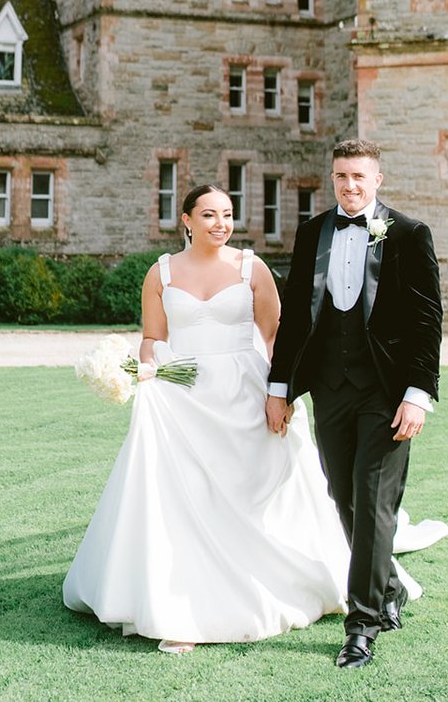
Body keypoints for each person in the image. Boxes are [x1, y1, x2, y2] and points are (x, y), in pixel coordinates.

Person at [62, 183, 351, 650]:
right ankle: (180, 604)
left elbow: (275, 335)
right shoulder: (160, 274)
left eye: (228, 214)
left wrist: (282, 392)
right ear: (187, 221)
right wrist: (147, 372)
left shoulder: (251, 268)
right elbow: (153, 338)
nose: (221, 223)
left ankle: (273, 579)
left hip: (244, 389)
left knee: (252, 489)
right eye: (210, 215)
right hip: (182, 395)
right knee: (182, 497)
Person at [266, 138, 443, 670]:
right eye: (342, 176)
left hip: (387, 395)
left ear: (377, 179)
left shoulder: (409, 235)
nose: (350, 186)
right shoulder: (312, 232)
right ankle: (387, 587)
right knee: (343, 497)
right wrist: (280, 389)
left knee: (372, 504)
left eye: (359, 177)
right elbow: (295, 316)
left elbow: (426, 321)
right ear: (333, 177)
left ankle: (362, 625)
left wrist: (418, 395)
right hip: (331, 391)